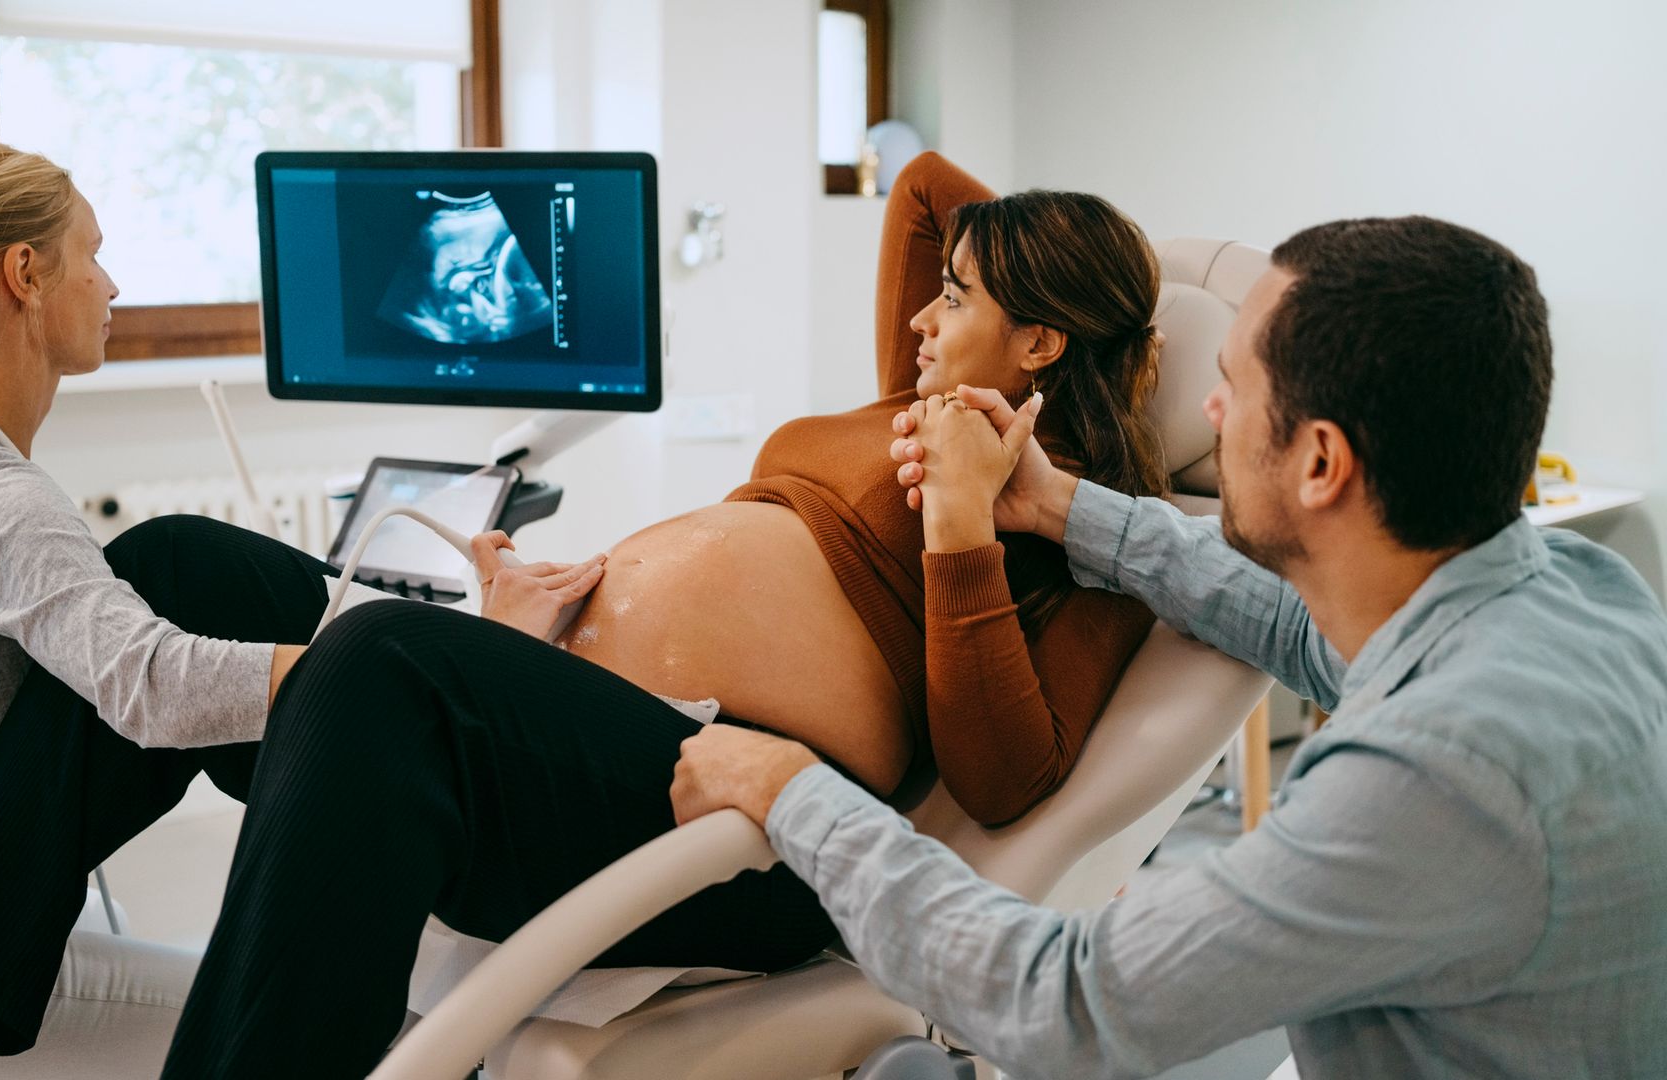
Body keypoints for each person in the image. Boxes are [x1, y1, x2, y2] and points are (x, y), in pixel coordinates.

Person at [0, 148, 1169, 1077]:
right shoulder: (895, 411)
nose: (923, 313)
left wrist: (988, 516)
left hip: (733, 814)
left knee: (381, 659)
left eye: (961, 298)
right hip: (586, 724)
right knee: (180, 559)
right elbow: (923, 186)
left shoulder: (1080, 523)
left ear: (1041, 341)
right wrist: (539, 634)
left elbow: (1004, 776)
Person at [672, 215, 1667, 1078]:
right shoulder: (1581, 595)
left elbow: (1067, 1005)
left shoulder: (1437, 779)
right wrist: (1056, 503)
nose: (1209, 410)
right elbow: (1288, 624)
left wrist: (797, 793)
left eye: (1233, 387)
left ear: (1321, 461)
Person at [0, 138, 603, 1078]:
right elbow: (152, 690)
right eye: (94, 254)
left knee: (180, 559)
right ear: (24, 274)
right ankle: (480, 778)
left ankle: (450, 757)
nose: (112, 287)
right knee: (406, 1042)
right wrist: (409, 678)